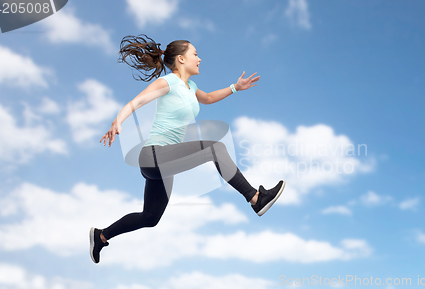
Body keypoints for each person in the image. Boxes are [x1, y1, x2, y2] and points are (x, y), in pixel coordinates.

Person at [90, 35, 285, 264]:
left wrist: (235, 87)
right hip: (154, 155)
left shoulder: (190, 87)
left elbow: (209, 98)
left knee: (151, 217)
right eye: (195, 54)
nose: (199, 59)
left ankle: (101, 236)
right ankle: (255, 197)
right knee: (216, 149)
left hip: (166, 162)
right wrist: (117, 121)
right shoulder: (168, 83)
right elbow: (137, 102)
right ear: (181, 59)